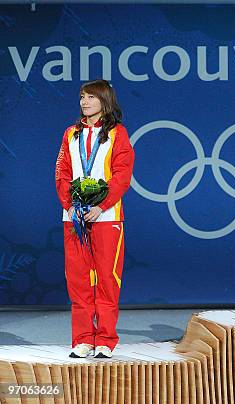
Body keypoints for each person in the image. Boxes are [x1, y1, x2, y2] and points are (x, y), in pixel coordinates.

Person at [55, 79, 135, 358]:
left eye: (90, 97)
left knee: (106, 279)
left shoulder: (118, 134)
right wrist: (72, 205)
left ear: (104, 101)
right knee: (78, 280)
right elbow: (62, 173)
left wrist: (101, 206)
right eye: (82, 97)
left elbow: (123, 175)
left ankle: (105, 339)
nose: (84, 102)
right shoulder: (70, 134)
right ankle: (82, 338)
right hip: (73, 217)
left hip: (107, 217)